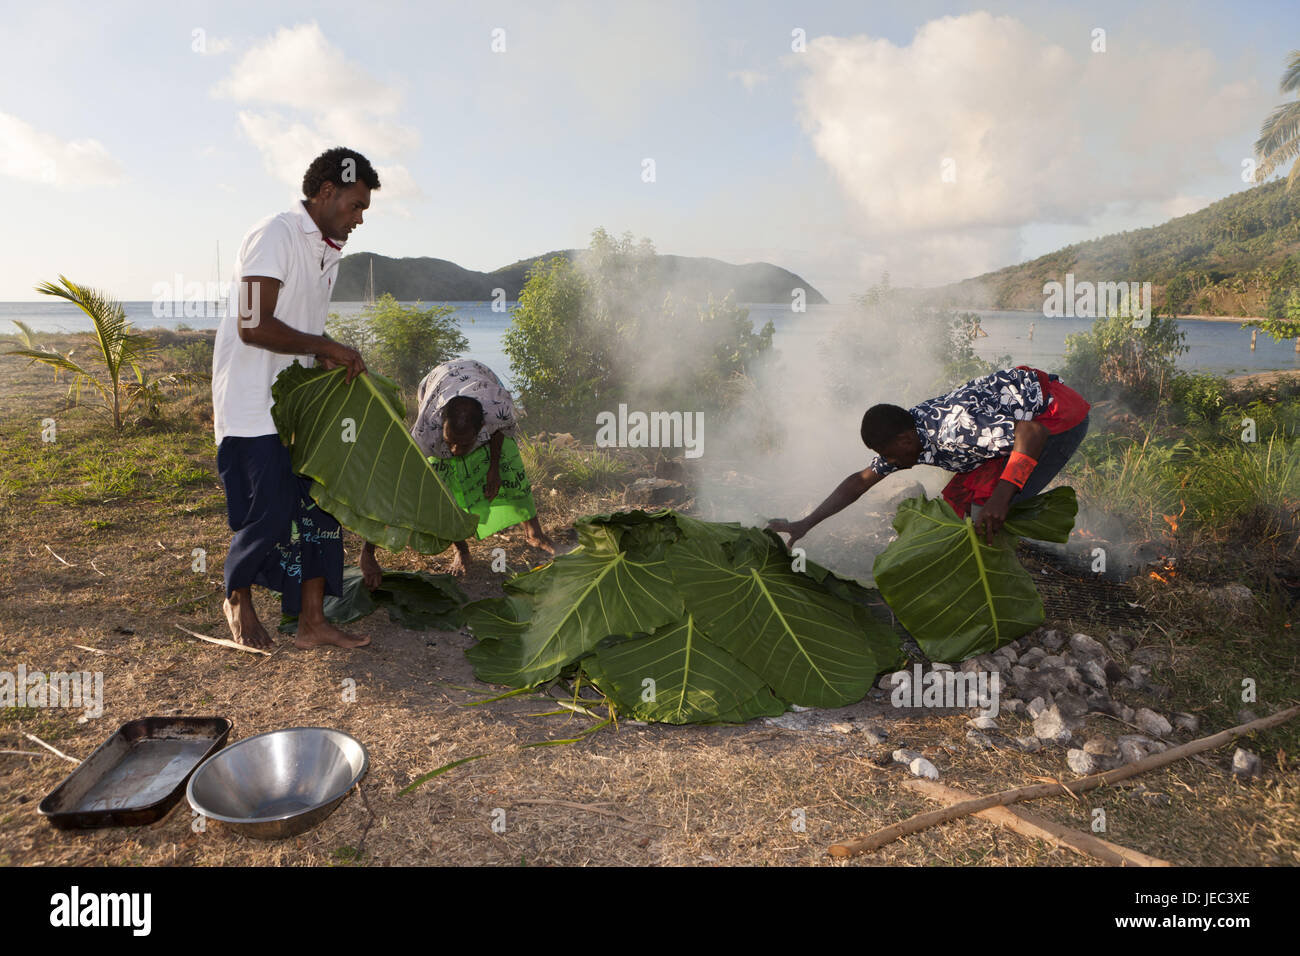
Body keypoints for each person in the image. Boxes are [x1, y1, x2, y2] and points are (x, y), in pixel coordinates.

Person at [211, 147, 379, 650]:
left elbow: (301, 330)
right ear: (326, 192)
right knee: (270, 511)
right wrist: (324, 345)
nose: (359, 218)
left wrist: (322, 357)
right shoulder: (276, 233)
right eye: (355, 205)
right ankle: (237, 596)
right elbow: (252, 324)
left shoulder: (327, 253)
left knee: (321, 505)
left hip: (296, 406)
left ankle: (312, 620)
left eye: (364, 210)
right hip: (251, 403)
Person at [768, 366, 1090, 547]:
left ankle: (995, 587)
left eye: (889, 454)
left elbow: (1032, 434)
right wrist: (806, 523)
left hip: (1055, 419)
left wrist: (1002, 497)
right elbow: (860, 481)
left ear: (906, 439)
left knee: (990, 516)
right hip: (1012, 429)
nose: (888, 462)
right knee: (958, 512)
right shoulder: (909, 436)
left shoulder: (953, 431)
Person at [360, 359, 555, 582]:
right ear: (441, 426)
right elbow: (397, 483)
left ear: (482, 427)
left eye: (464, 444)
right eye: (450, 442)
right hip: (436, 382)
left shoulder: (497, 409)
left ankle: (534, 533)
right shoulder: (427, 430)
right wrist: (367, 552)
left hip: (481, 375)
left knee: (509, 464)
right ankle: (461, 550)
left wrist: (493, 468)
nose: (455, 450)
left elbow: (501, 430)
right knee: (441, 484)